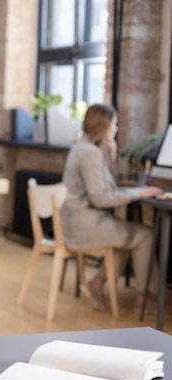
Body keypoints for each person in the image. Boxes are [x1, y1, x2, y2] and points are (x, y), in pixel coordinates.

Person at [60, 103, 163, 313]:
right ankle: (145, 298)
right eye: (114, 124)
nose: (116, 129)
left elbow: (108, 184)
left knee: (128, 235)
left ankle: (97, 283)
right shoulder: (90, 153)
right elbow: (101, 198)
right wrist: (140, 192)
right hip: (85, 224)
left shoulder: (83, 148)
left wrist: (111, 155)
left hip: (76, 221)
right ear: (104, 126)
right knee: (144, 235)